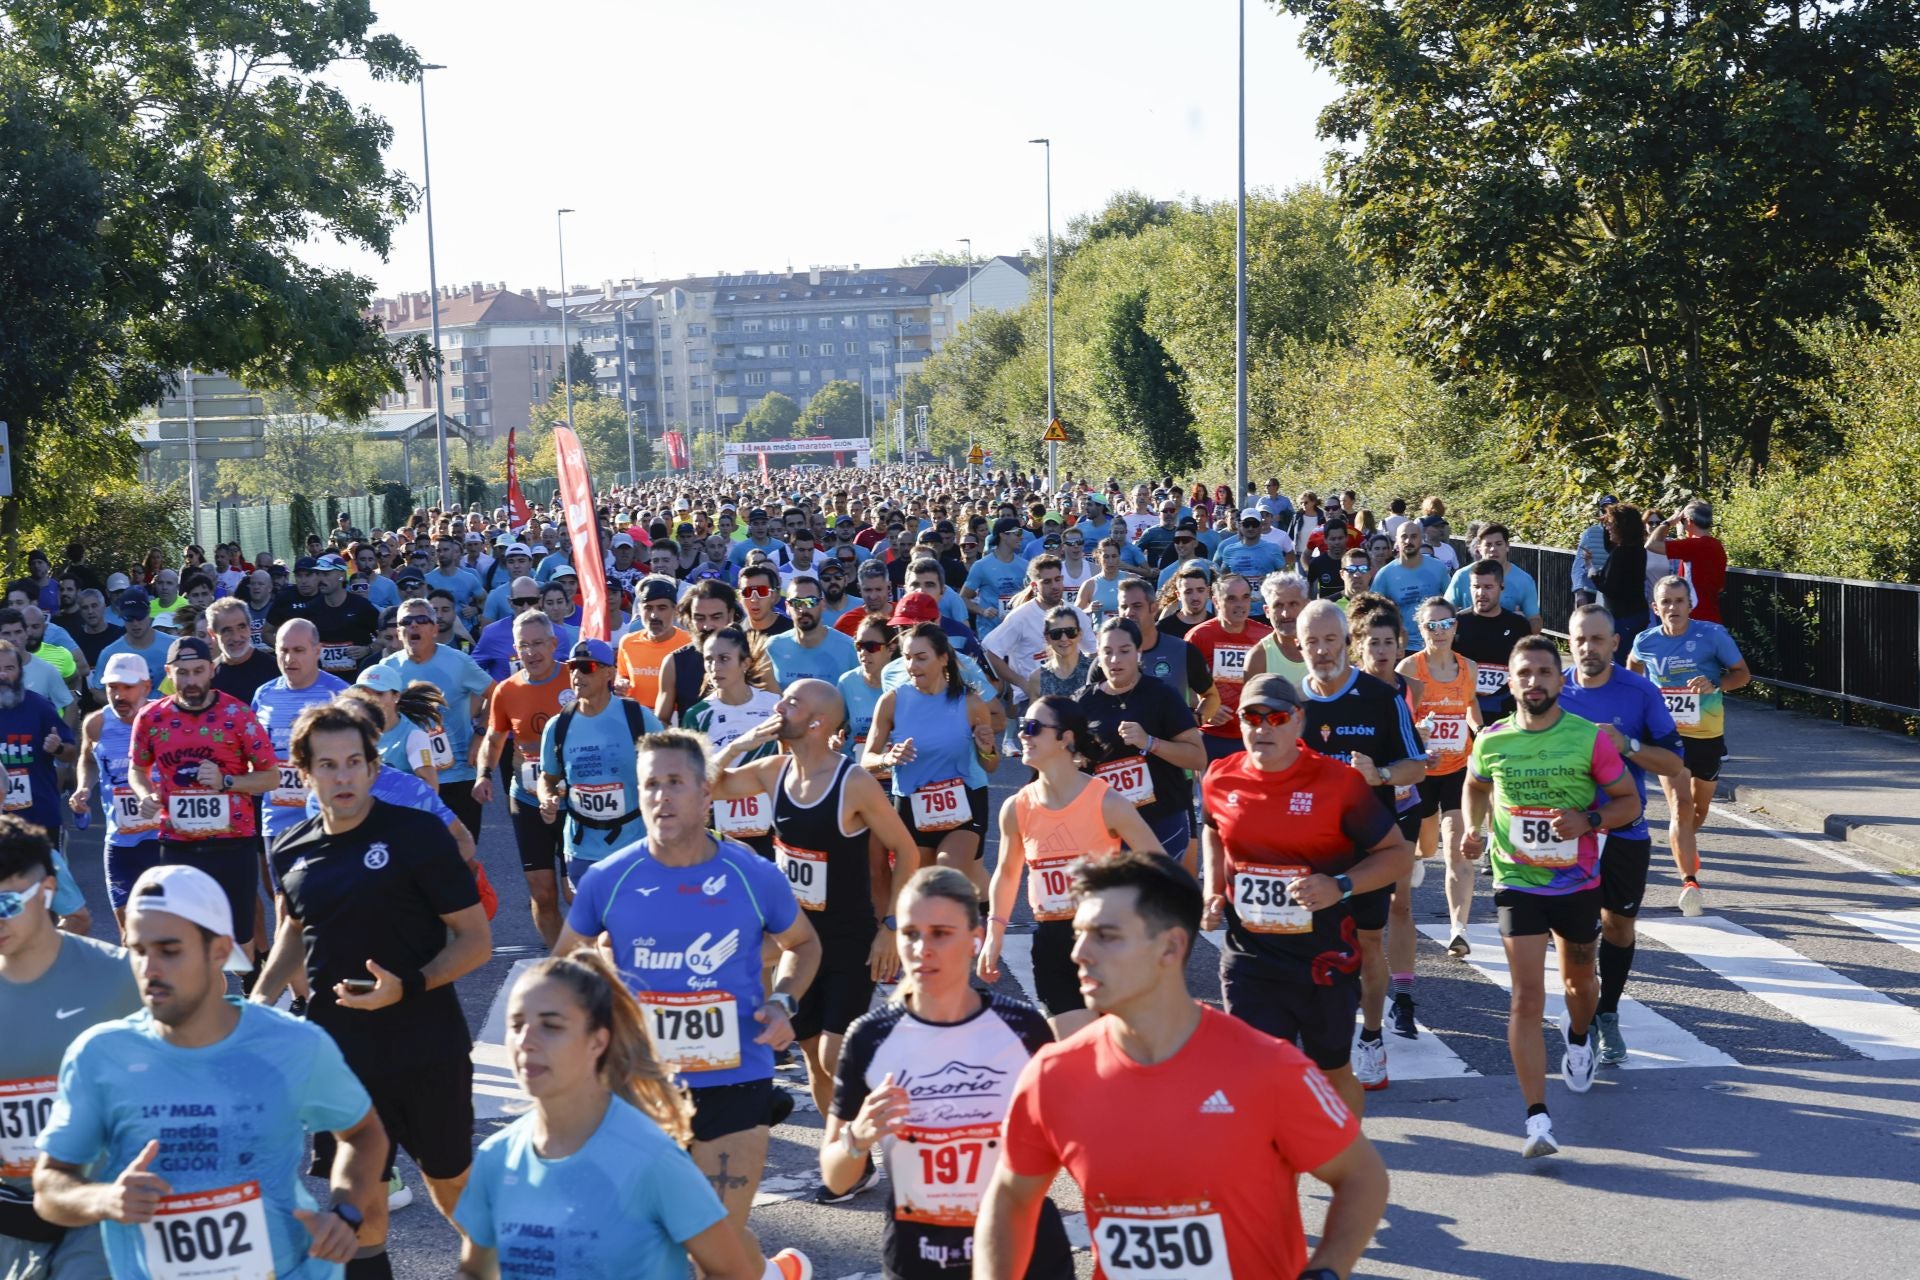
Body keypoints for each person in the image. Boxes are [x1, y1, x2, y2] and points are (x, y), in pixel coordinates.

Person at [975, 851, 1387, 1280]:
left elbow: (1363, 1178)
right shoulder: (1053, 1075)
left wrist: (1325, 1271)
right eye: (1080, 934)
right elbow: (1009, 1200)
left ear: (1171, 947)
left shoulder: (1267, 1066)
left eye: (1106, 935)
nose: (1080, 952)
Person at [34, 864, 385, 1280]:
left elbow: (364, 1133)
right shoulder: (100, 1054)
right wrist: (105, 1201)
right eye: (138, 950)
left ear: (219, 951)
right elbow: (50, 1185)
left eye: (169, 950)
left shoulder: (293, 1045)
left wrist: (345, 1213)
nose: (149, 969)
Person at [554, 731, 820, 1280]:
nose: (660, 797)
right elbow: (563, 968)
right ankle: (771, 1275)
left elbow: (805, 943)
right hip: (640, 1085)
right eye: (650, 784)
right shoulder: (608, 879)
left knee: (710, 1244)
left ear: (705, 795)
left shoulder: (753, 875)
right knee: (663, 1239)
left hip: (735, 1077)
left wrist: (782, 1001)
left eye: (675, 782)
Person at [254, 700, 492, 1265]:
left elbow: (475, 941)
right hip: (340, 1057)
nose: (343, 777)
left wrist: (406, 986)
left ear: (372, 767)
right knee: (361, 1209)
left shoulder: (416, 835)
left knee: (453, 1188)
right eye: (328, 765)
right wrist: (257, 1003)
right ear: (305, 772)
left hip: (426, 1044)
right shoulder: (291, 848)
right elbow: (294, 931)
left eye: (354, 763)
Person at [710, 679, 921, 1175]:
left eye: (791, 703)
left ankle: (907, 1102)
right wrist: (742, 743)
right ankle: (850, 1159)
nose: (779, 707)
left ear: (817, 722)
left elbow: (907, 850)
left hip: (849, 937)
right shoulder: (773, 769)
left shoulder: (853, 783)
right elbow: (710, 784)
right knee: (810, 1055)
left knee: (833, 1054)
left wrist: (891, 925)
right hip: (796, 941)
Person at [824, 867, 1073, 1280]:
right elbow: (834, 1179)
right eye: (910, 933)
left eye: (941, 933)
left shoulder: (1023, 1029)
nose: (923, 948)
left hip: (1027, 1256)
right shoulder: (870, 1038)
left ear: (975, 939)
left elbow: (1070, 1146)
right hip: (921, 1260)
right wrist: (858, 1137)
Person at [453, 954, 765, 1280]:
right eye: (516, 1025)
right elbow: (476, 1271)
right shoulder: (498, 1155)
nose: (525, 1042)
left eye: (551, 1026)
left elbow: (732, 1273)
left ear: (597, 1041)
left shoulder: (650, 1158)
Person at [1198, 673, 1413, 1112]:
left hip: (1323, 957)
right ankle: (1270, 1170)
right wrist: (1213, 887)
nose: (1263, 728)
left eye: (1276, 717)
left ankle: (1346, 1161)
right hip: (1250, 956)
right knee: (1251, 1069)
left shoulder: (1337, 783)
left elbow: (1396, 854)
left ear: (1298, 721)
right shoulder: (1220, 776)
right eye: (1251, 717)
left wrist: (1340, 885)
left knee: (1331, 1071)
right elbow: (1213, 830)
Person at [1462, 636, 1641, 1158]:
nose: (1534, 682)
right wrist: (1474, 829)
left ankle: (1580, 1038)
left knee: (1580, 982)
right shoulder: (1491, 740)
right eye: (1524, 673)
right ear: (1510, 681)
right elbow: (1474, 786)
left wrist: (1588, 820)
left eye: (1544, 672)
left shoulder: (1588, 740)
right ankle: (1536, 1118)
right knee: (1525, 995)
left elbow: (1628, 802)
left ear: (1560, 681)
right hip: (1516, 881)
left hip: (1577, 883)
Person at [0, 814, 141, 1277]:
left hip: (102, 1208)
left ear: (47, 891)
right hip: (9, 1212)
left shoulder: (123, 976)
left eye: (6, 903)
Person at [1295, 599, 1425, 1091]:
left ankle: (1371, 1038)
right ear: (1299, 646)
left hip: (1369, 850)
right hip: (1309, 853)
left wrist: (1382, 775)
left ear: (1346, 642)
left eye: (1331, 640)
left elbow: (1419, 765)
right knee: (1308, 949)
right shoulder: (1291, 705)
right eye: (1313, 643)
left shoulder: (1379, 696)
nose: (1322, 651)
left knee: (1369, 943)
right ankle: (1320, 1043)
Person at [979, 696, 1164, 1037]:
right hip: (1051, 942)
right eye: (1022, 727)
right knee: (1072, 1052)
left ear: (1065, 738)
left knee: (1116, 1051)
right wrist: (995, 934)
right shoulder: (1016, 807)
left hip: (1106, 939)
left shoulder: (1107, 801)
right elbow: (1007, 874)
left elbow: (1160, 867)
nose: (1024, 735)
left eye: (1033, 728)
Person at [1560, 605, 1685, 1065]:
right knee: (1578, 935)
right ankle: (1584, 1015)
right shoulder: (1555, 689)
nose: (1588, 649)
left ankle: (1607, 1012)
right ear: (1569, 643)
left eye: (1598, 640)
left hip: (1624, 829)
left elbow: (1674, 763)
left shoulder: (1640, 692)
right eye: (1580, 640)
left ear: (1615, 643)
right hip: (1569, 833)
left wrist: (1627, 744)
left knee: (1617, 925)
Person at [126, 636, 279, 952]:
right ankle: (204, 998)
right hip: (178, 844)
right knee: (185, 934)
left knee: (239, 935)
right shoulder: (151, 717)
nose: (191, 681)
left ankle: (248, 987)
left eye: (198, 671)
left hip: (232, 842)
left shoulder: (238, 714)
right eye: (183, 673)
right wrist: (144, 793)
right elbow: (137, 769)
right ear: (169, 673)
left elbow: (271, 777)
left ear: (212, 670)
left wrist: (227, 782)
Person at [1628, 575, 1750, 916]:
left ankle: (1684, 844)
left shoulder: (1712, 636)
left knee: (1699, 810)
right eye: (1665, 602)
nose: (1673, 608)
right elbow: (1633, 668)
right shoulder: (1646, 641)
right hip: (1666, 738)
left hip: (1707, 733)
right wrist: (1641, 701)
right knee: (1680, 807)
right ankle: (1689, 882)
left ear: (1689, 604)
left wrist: (1715, 684)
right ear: (1656, 608)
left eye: (1679, 601)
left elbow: (1742, 673)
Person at [863, 624, 997, 903]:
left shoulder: (970, 703)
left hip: (964, 804)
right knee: (922, 893)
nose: (912, 665)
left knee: (946, 879)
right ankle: (968, 935)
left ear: (943, 658)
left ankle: (970, 940)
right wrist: (888, 759)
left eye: (921, 657)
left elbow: (991, 765)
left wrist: (985, 749)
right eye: (907, 657)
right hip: (913, 806)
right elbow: (867, 760)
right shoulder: (891, 701)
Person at [473, 613, 577, 947]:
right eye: (523, 646)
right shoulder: (507, 689)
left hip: (573, 800)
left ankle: (591, 956)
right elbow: (494, 737)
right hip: (529, 799)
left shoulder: (575, 681)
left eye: (537, 644)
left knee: (574, 891)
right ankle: (561, 959)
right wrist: (484, 774)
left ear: (553, 644)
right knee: (542, 892)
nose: (530, 652)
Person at [1075, 617, 1206, 868]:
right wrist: (1076, 760)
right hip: (1108, 825)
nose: (1115, 660)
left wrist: (1150, 742)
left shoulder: (1162, 695)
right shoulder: (1084, 702)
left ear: (1138, 652)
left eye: (1124, 651)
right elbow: (1069, 763)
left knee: (1153, 900)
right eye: (1107, 652)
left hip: (1161, 820)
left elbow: (1197, 757)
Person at [535, 637, 663, 891]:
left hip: (634, 842)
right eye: (573, 667)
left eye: (587, 668)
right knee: (592, 928)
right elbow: (548, 778)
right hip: (581, 847)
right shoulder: (558, 725)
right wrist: (547, 798)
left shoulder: (637, 717)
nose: (577, 675)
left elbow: (671, 766)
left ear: (609, 673)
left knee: (635, 924)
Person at [1398, 597, 1483, 958]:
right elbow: (1398, 720)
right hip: (1421, 771)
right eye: (1431, 626)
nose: (1440, 631)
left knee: (1455, 850)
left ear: (1456, 627)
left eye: (1446, 624)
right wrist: (1417, 730)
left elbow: (1470, 705)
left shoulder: (1470, 668)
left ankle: (1458, 929)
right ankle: (1418, 856)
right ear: (1421, 630)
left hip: (1457, 770)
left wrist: (1481, 732)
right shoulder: (1409, 668)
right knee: (1428, 846)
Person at [378, 596, 494, 839]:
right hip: (409, 775)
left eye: (421, 620)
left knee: (462, 854)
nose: (413, 626)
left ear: (434, 628)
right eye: (406, 622)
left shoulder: (458, 661)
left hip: (457, 773)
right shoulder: (387, 668)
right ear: (398, 632)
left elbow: (498, 696)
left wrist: (480, 735)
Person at [1184, 573, 1271, 762]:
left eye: (1245, 597)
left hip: (1255, 734)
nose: (1240, 605)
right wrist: (1207, 707)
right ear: (1215, 601)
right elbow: (1181, 687)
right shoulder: (1199, 637)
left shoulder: (1265, 636)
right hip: (1211, 736)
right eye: (1231, 599)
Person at [1453, 559, 1533, 725]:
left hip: (1505, 710)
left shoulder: (1518, 625)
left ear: (1501, 587)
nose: (1481, 593)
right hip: (1463, 709)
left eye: (1488, 587)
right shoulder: (1456, 623)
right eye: (1476, 587)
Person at [1371, 520, 1454, 650]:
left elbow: (1452, 603)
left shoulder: (1438, 568)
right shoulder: (1385, 574)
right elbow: (1373, 613)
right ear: (1396, 541)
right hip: (1402, 647)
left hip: (1435, 643)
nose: (1408, 540)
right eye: (1404, 536)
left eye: (1414, 536)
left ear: (1421, 539)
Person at [765, 575, 859, 688]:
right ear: (787, 607)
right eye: (796, 602)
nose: (803, 609)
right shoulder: (773, 647)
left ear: (822, 604)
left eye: (810, 601)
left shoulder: (849, 649)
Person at [1444, 523, 1542, 631]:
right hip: (1468, 643)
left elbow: (1534, 619)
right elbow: (1445, 613)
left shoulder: (1524, 580)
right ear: (1479, 548)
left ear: (1507, 546)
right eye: (1488, 544)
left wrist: (1522, 625)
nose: (1493, 549)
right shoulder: (1462, 576)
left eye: (1498, 544)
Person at [1646, 500, 1728, 623]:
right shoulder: (1717, 546)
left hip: (1694, 618)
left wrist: (1668, 522)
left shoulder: (1693, 546)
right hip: (1712, 618)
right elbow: (1720, 588)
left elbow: (1651, 544)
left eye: (1682, 521)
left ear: (1689, 522)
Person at [616, 577, 691, 708]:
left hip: (674, 722)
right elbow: (623, 675)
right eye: (648, 608)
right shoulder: (627, 642)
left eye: (661, 608)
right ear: (640, 610)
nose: (654, 615)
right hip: (637, 719)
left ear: (675, 611)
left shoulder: (689, 644)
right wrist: (621, 683)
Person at [1592, 504, 1651, 642]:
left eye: (1610, 524)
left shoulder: (1621, 553)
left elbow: (1610, 588)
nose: (1607, 527)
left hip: (1623, 618)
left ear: (1621, 527)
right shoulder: (1638, 549)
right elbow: (1609, 544)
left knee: (1621, 660)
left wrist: (1593, 575)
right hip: (1638, 614)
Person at [1244, 570, 1312, 686]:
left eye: (1293, 604)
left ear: (1307, 606)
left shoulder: (1326, 646)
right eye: (1278, 606)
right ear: (1267, 611)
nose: (1285, 614)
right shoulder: (1258, 658)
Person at [208, 595, 280, 700]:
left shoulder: (276, 669)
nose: (236, 637)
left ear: (250, 627)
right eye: (227, 630)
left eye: (241, 627)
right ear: (213, 634)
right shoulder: (209, 676)